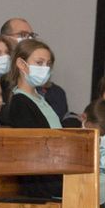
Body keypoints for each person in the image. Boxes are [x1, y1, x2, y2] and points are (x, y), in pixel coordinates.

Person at [8, 39, 63, 198]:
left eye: (48, 64)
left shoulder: (41, 99)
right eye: (39, 63)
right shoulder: (20, 102)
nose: (45, 68)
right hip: (42, 179)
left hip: (58, 170)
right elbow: (34, 148)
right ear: (21, 64)